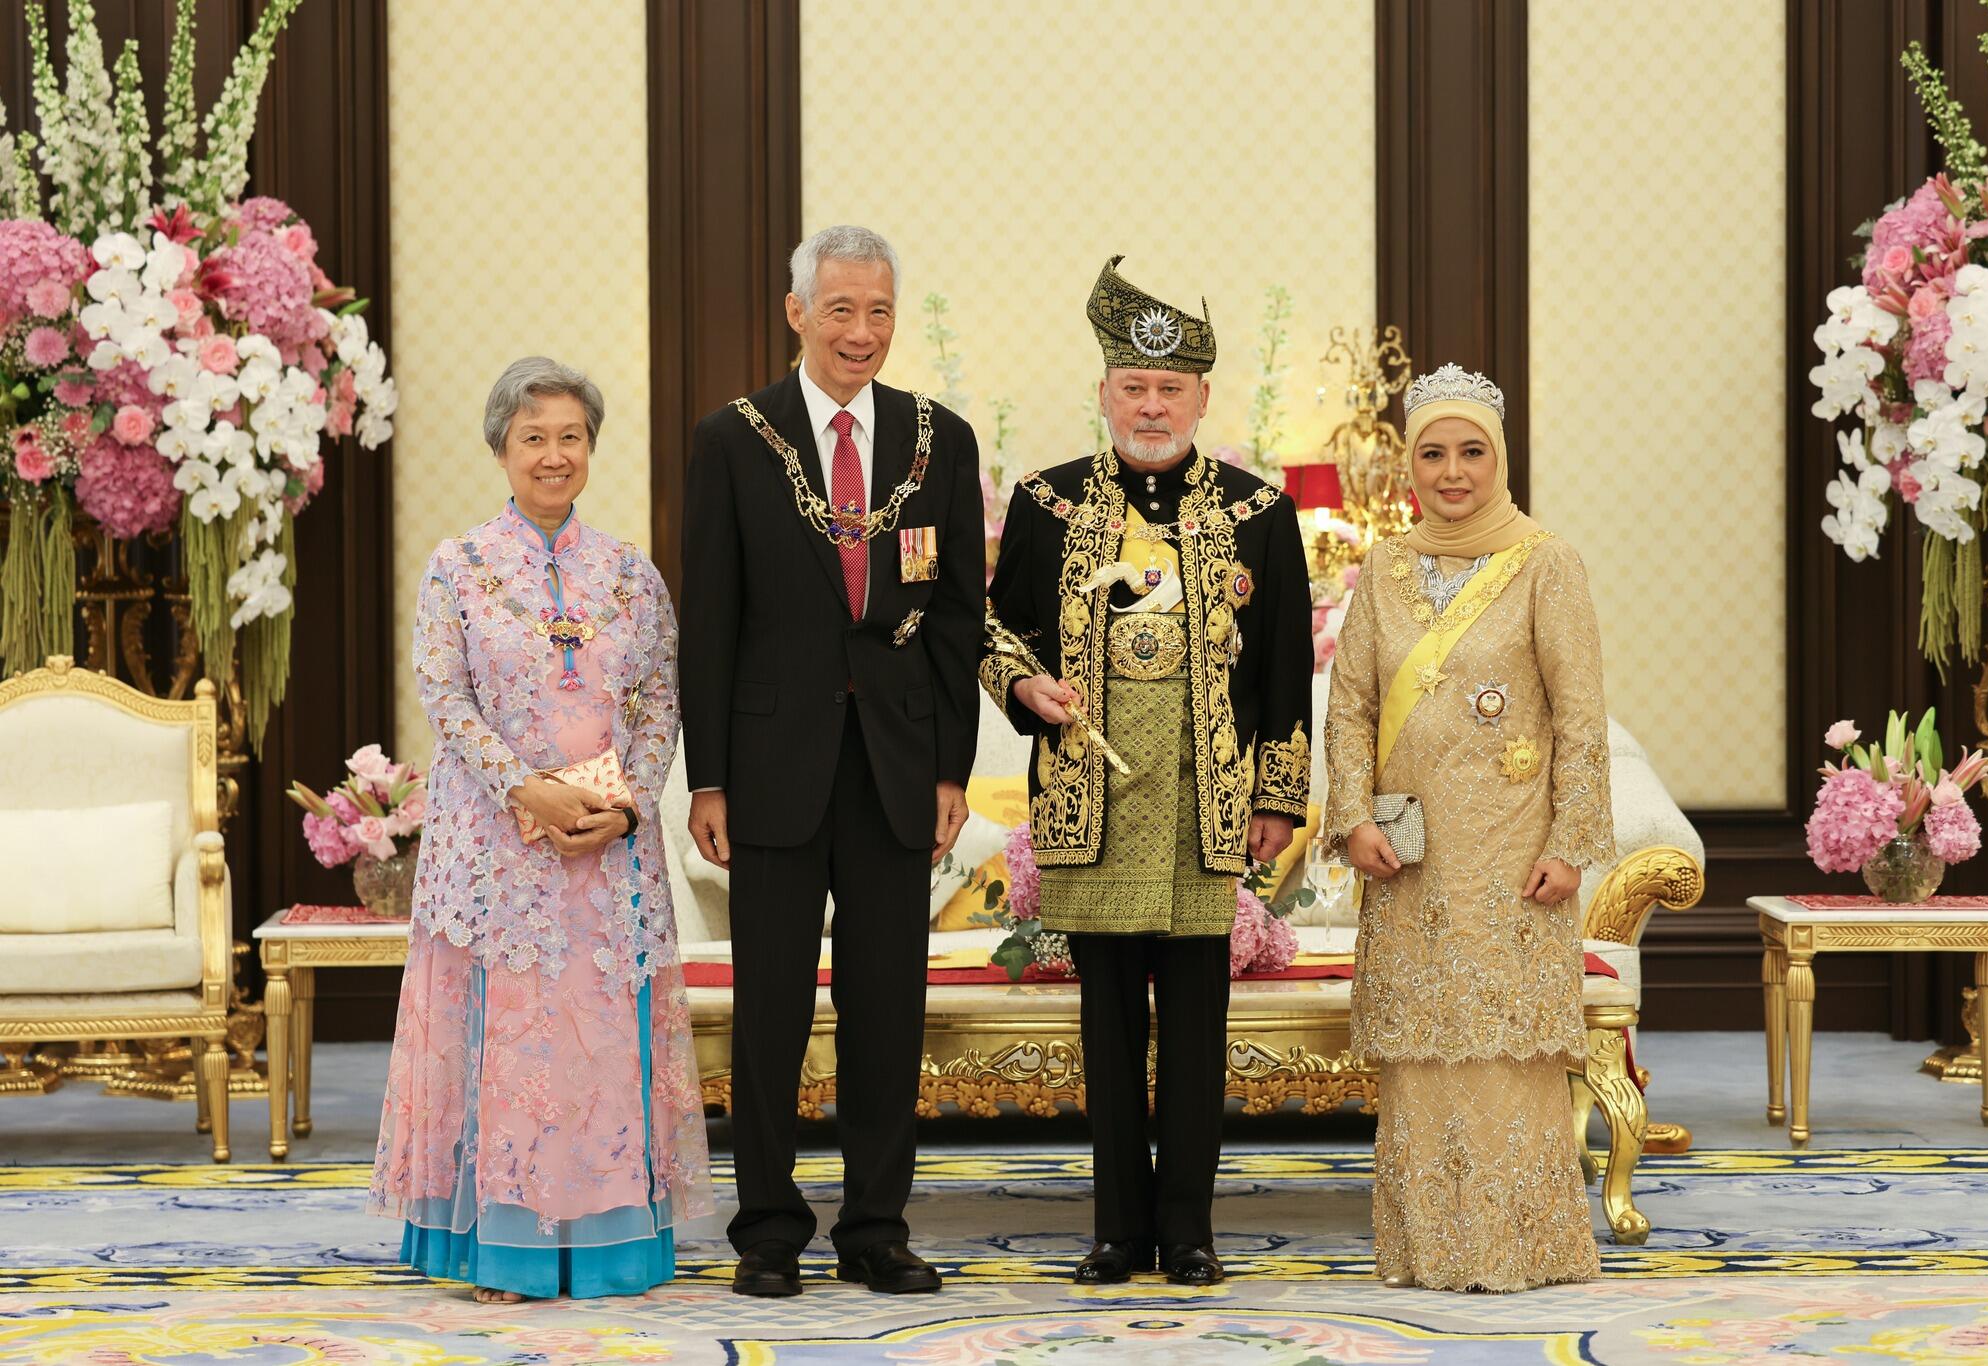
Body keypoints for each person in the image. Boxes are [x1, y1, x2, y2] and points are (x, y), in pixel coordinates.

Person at [983, 257, 1312, 1287]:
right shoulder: (1045, 504)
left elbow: (1285, 668)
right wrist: (1024, 686)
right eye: (1134, 386)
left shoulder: (1260, 512)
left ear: (1202, 399)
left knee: (1199, 1032)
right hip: (1091, 809)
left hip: (1205, 812)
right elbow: (992, 629)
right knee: (1110, 1029)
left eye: (1171, 389)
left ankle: (1191, 1231)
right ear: (1104, 394)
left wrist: (1275, 797)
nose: (1152, 404)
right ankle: (1118, 1229)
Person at [679, 225, 984, 1297]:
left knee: (886, 1003)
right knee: (768, 1004)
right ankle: (766, 1227)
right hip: (768, 763)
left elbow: (957, 619)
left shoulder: (936, 440)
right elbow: (708, 619)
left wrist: (952, 766)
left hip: (898, 764)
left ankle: (875, 1226)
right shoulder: (733, 440)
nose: (862, 333)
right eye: (842, 310)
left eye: (881, 312)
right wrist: (704, 774)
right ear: (796, 311)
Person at [368, 356, 713, 1302]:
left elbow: (657, 699)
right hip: (496, 846)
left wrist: (625, 803)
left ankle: (610, 1244)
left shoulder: (630, 575)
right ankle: (504, 1246)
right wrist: (527, 789)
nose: (554, 455)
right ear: (500, 450)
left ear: (591, 449)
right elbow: (445, 694)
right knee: (511, 1039)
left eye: (571, 437)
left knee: (601, 1039)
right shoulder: (460, 566)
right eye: (534, 438)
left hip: (608, 850)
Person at [1323, 362, 1609, 1292]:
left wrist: (1571, 844)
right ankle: (1430, 1250)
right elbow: (1352, 706)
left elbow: (1579, 716)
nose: (1452, 472)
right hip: (1407, 853)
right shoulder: (1386, 565)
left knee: (1501, 1049)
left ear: (1500, 458)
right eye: (1433, 453)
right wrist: (1353, 815)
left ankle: (1518, 1251)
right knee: (1422, 1051)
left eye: (1470, 452)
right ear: (1411, 465)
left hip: (1513, 848)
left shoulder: (1546, 562)